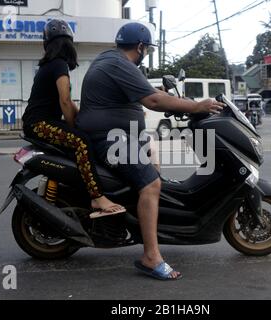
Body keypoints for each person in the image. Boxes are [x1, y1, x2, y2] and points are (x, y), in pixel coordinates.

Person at [76, 22, 224, 280]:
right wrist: (196, 106)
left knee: (155, 165)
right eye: (148, 49)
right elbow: (153, 100)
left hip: (123, 136)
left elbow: (150, 92)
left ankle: (145, 221)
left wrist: (174, 100)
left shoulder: (114, 61)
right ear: (141, 47)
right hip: (110, 139)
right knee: (152, 184)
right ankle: (151, 257)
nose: (147, 53)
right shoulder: (118, 63)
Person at [21, 19, 125, 219]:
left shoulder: (50, 65)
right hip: (39, 125)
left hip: (38, 122)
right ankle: (97, 197)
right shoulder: (58, 64)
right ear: (68, 44)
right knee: (81, 141)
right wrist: (76, 127)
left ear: (47, 44)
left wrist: (81, 119)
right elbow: (66, 101)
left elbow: (69, 104)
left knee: (81, 138)